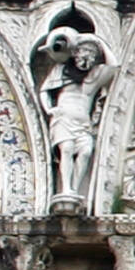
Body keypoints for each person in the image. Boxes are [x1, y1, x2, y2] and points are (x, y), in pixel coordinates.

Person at [38, 30, 118, 199]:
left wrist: (98, 41)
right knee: (66, 149)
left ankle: (74, 188)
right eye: (84, 52)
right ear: (75, 53)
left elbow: (113, 66)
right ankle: (66, 188)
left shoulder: (93, 77)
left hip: (83, 123)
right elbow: (44, 91)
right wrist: (49, 109)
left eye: (91, 54)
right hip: (63, 119)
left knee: (86, 152)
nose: (87, 57)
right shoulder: (60, 71)